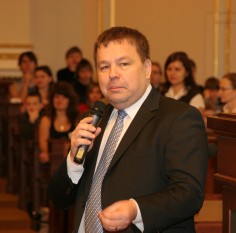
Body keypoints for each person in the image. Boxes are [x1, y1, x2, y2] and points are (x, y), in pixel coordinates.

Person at [49, 27, 208, 233]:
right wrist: (73, 159)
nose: (112, 74)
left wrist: (136, 209)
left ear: (147, 68)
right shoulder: (93, 119)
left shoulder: (178, 118)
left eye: (123, 64)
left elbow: (189, 194)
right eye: (104, 66)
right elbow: (59, 199)